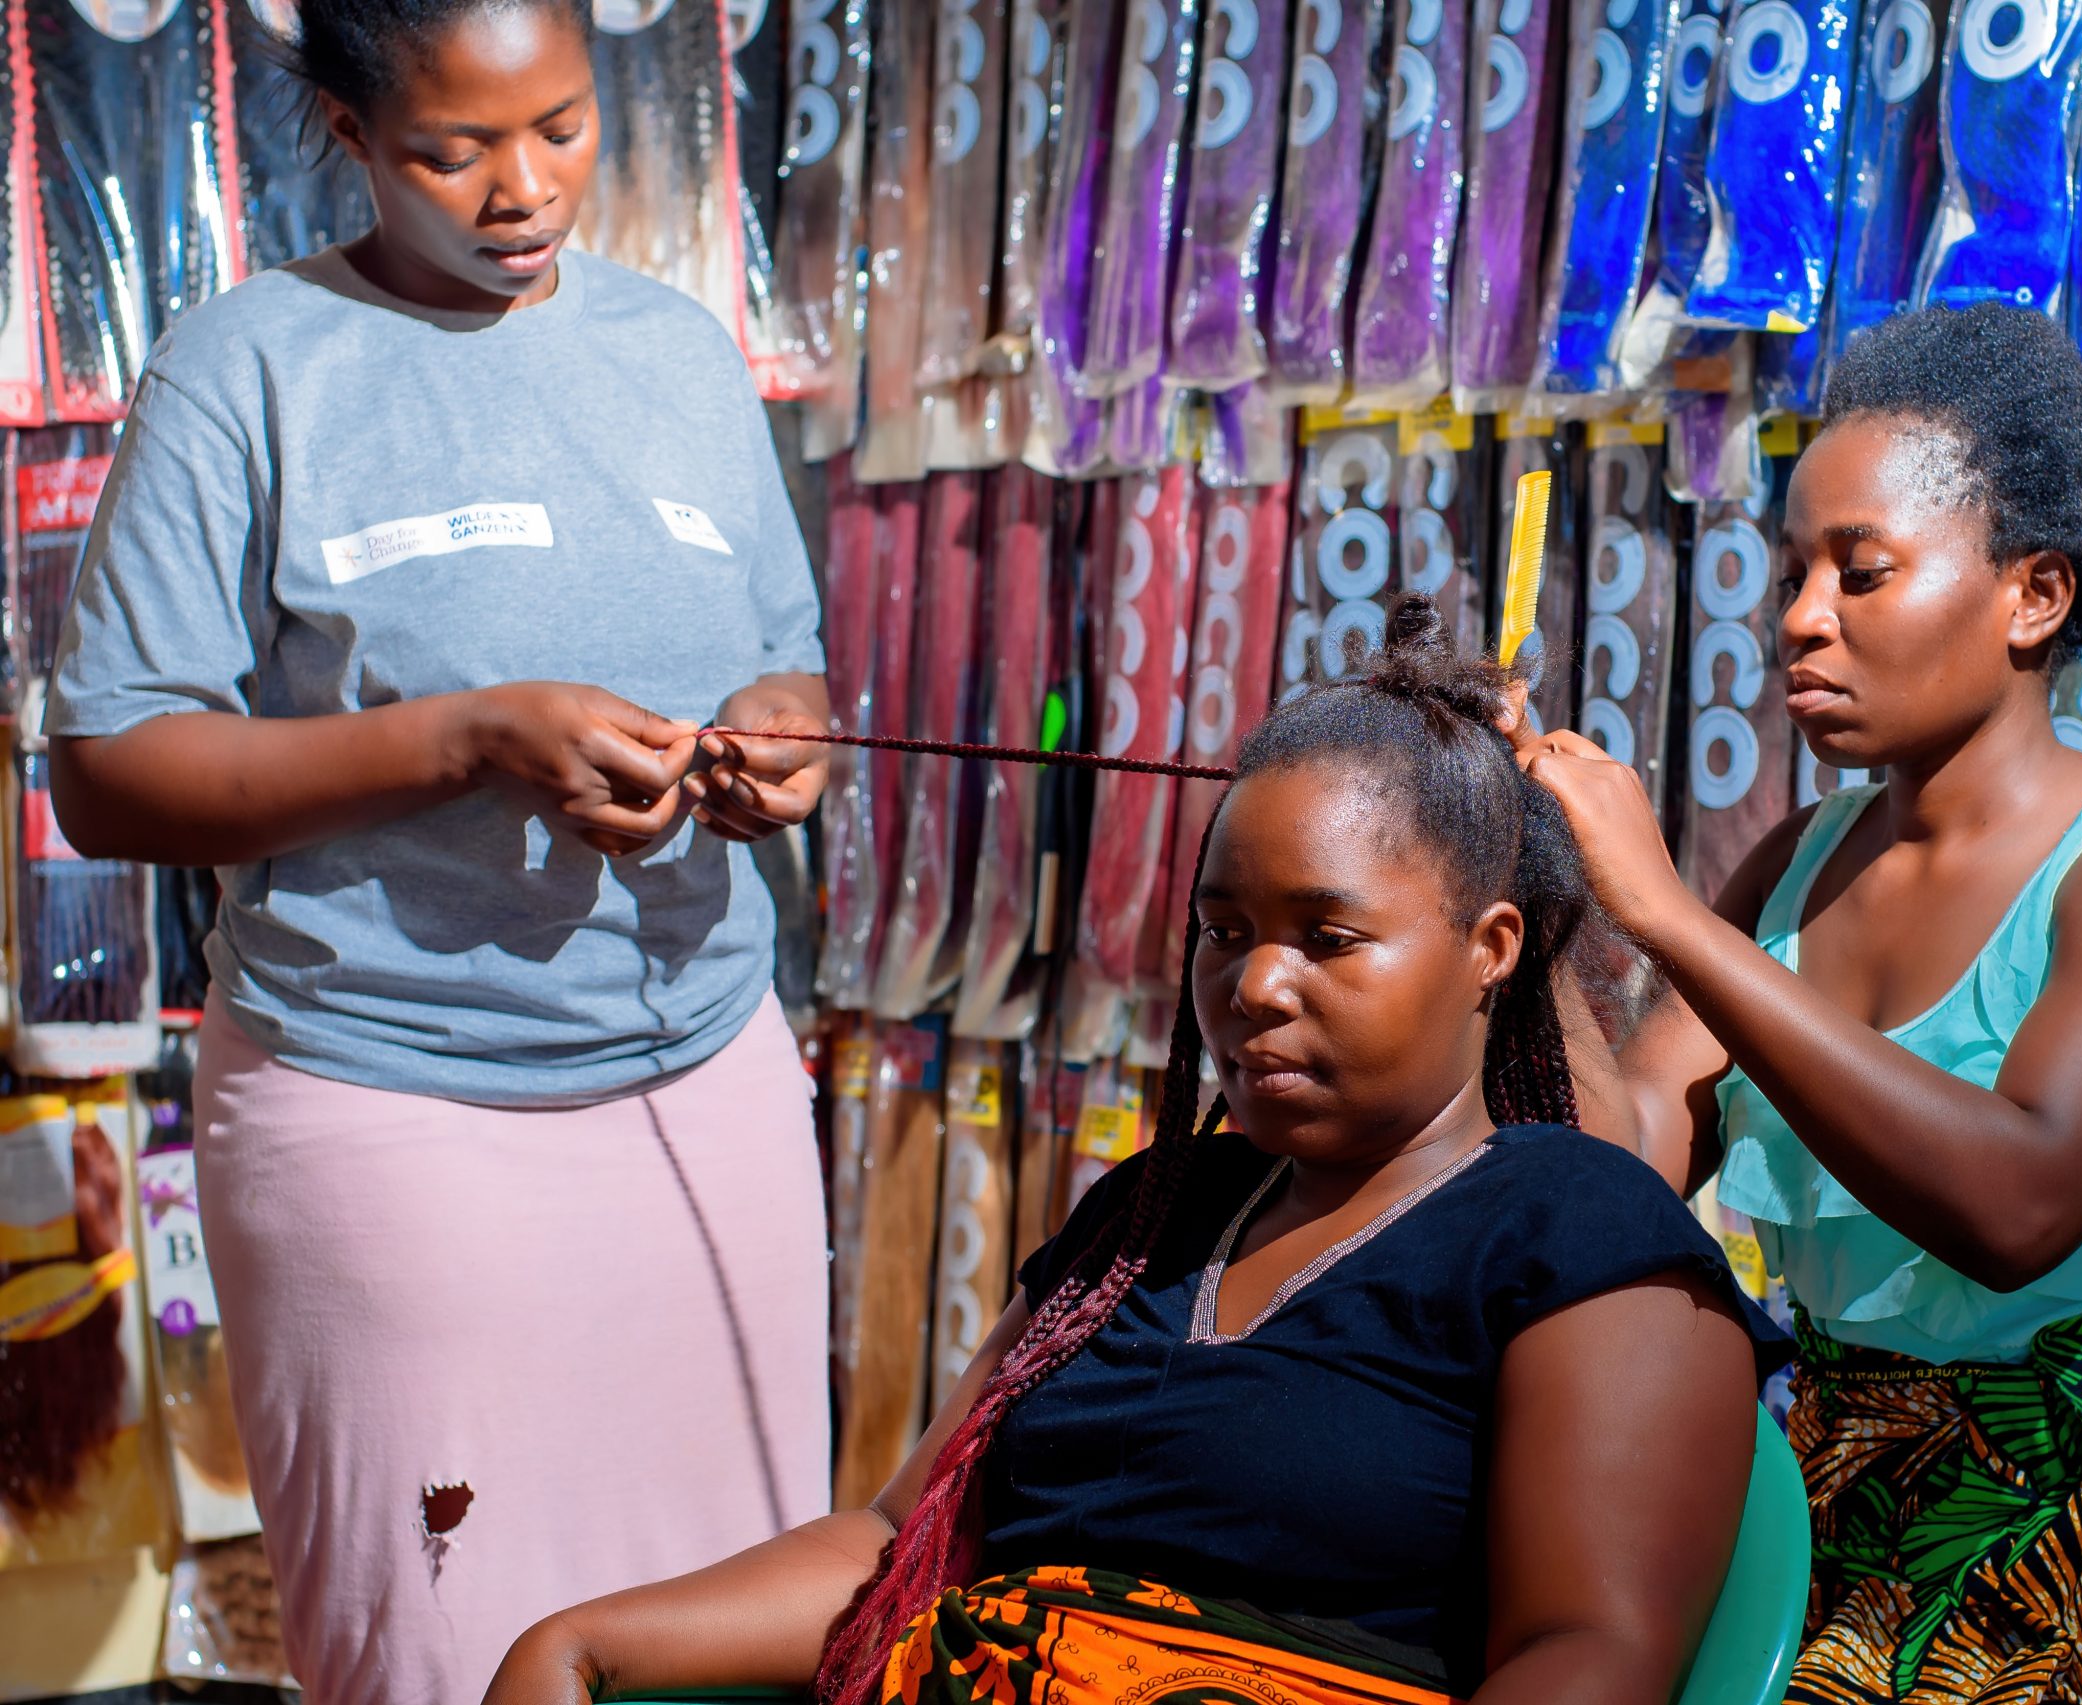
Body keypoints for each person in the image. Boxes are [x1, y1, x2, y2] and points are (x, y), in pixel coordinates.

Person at [483, 603, 1790, 1705]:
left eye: (1328, 939)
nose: (1258, 984)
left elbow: (1591, 1657)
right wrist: (586, 1642)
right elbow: (901, 1533)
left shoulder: (1575, 1230)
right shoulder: (1153, 1217)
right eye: (1225, 933)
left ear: (1491, 950)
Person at [42, 0, 832, 1697]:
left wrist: (784, 735)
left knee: (742, 1629)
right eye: (451, 151)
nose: (522, 190)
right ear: (342, 128)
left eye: (560, 125)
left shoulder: (680, 351)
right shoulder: (248, 365)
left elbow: (789, 660)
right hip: (394, 1118)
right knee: (444, 1642)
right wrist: (464, 741)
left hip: (712, 1086)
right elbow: (109, 767)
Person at [1514, 305, 2082, 1703]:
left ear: (2035, 595)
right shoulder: (1799, 867)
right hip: (1832, 1533)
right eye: (1793, 573)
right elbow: (1630, 1152)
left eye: (1862, 571)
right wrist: (1542, 909)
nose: (1801, 618)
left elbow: (2018, 1204)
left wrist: (1673, 921)